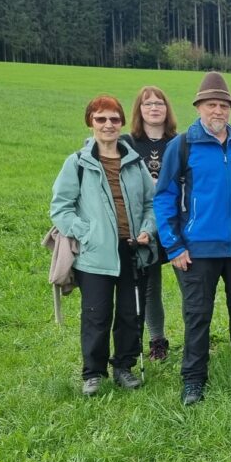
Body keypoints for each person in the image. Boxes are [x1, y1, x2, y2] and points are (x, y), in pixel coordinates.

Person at [153, 72, 231, 406]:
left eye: (223, 105)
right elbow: (164, 197)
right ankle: (194, 379)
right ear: (199, 107)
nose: (218, 111)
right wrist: (173, 245)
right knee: (197, 315)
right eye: (211, 105)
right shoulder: (182, 146)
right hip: (198, 249)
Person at [51, 95, 156, 396]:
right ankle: (93, 373)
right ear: (91, 122)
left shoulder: (135, 162)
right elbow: (61, 208)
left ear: (122, 122)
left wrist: (148, 229)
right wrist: (87, 233)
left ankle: (124, 367)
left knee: (130, 314)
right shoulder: (77, 163)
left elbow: (151, 203)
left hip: (132, 250)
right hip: (95, 254)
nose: (108, 125)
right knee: (96, 314)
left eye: (114, 119)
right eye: (101, 119)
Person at [127, 86, 178, 362]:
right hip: (144, 224)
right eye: (148, 104)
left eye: (159, 103)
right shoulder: (128, 143)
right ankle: (157, 340)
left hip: (175, 222)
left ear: (167, 109)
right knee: (149, 286)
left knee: (190, 283)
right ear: (140, 110)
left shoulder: (179, 142)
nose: (154, 108)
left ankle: (197, 337)